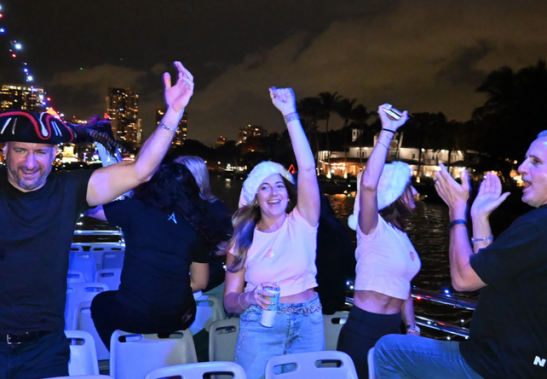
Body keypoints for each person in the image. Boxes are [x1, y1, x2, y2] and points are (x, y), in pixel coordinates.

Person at [0, 20, 194, 379]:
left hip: (44, 349)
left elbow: (140, 171)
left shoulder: (69, 189)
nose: (31, 163)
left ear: (54, 156)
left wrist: (174, 112)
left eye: (41, 152)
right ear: (5, 152)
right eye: (21, 150)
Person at [375, 130, 547, 379]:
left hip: (498, 365)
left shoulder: (537, 226)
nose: (521, 168)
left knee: (388, 350)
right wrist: (479, 217)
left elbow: (464, 280)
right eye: (525, 159)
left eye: (536, 161)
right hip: (524, 365)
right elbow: (484, 273)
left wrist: (457, 211)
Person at [223, 87, 322, 379]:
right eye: (264, 187)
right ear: (256, 197)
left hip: (309, 320)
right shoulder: (242, 238)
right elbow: (230, 300)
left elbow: (307, 168)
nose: (274, 192)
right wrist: (250, 298)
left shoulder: (304, 221)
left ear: (288, 194)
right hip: (260, 324)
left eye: (279, 185)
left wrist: (290, 113)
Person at [85, 162, 222, 348]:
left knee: (100, 303)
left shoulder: (135, 209)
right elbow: (200, 282)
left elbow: (89, 207)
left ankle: (122, 353)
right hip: (180, 317)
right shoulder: (196, 223)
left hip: (136, 316)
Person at [335, 104, 421, 379]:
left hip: (394, 330)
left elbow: (404, 286)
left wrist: (411, 327)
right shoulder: (372, 228)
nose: (416, 191)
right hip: (364, 329)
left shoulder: (402, 236)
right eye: (410, 187)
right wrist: (387, 130)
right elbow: (369, 185)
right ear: (394, 194)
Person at [174, 155, 233, 291]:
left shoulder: (217, 209)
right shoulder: (173, 204)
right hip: (180, 270)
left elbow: (231, 242)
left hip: (207, 275)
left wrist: (210, 251)